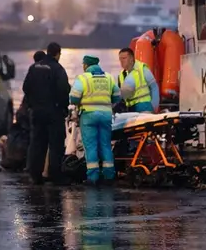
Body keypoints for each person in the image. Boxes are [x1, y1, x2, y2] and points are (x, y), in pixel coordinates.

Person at [69, 54, 121, 185]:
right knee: (105, 145)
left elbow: (74, 97)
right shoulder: (109, 77)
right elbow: (117, 96)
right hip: (106, 115)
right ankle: (109, 176)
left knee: (91, 146)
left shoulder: (83, 78)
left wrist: (80, 102)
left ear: (86, 65)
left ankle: (93, 177)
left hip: (88, 116)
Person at [24, 42, 70, 184]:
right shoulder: (58, 69)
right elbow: (64, 90)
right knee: (55, 144)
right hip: (53, 112)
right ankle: (55, 175)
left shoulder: (34, 67)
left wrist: (32, 104)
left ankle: (35, 175)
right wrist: (63, 107)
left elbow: (26, 87)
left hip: (37, 112)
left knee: (37, 143)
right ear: (58, 54)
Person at [117, 47, 160, 113]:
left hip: (145, 106)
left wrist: (154, 107)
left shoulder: (142, 69)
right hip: (130, 109)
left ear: (131, 58)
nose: (121, 61)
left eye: (124, 58)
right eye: (120, 59)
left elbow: (154, 87)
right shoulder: (121, 75)